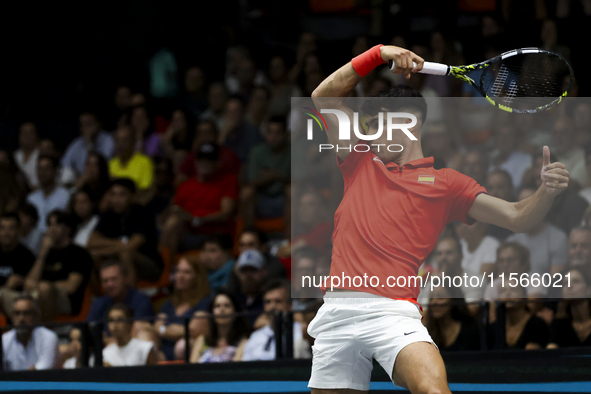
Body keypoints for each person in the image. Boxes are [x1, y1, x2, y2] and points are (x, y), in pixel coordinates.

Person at [307, 44, 570, 394]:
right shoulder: (358, 160)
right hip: (337, 311)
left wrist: (545, 193)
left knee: (433, 391)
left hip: (392, 312)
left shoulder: (447, 184)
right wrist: (379, 53)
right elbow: (323, 97)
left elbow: (516, 217)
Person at [160, 143, 238, 262]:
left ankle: (165, 269)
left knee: (174, 223)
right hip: (188, 233)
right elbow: (174, 210)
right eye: (201, 160)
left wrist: (196, 218)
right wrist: (177, 214)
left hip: (214, 233)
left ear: (217, 163)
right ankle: (166, 270)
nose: (204, 164)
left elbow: (226, 213)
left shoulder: (228, 181)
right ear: (195, 162)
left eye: (209, 161)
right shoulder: (185, 185)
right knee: (173, 221)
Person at [87, 178, 163, 283]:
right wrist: (120, 244)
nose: (116, 200)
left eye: (122, 195)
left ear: (132, 196)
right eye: (112, 195)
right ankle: (102, 294)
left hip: (148, 264)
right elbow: (91, 242)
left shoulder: (144, 214)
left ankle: (130, 297)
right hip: (117, 258)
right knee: (92, 254)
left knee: (126, 254)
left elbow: (132, 245)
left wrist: (104, 248)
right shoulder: (108, 214)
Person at [24, 211, 93, 321]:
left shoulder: (79, 253)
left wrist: (43, 287)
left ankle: (46, 332)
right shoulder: (46, 252)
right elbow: (29, 284)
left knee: (44, 288)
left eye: (57, 225)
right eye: (49, 225)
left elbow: (71, 286)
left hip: (67, 300)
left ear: (68, 229)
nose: (52, 229)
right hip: (38, 294)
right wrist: (43, 252)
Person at [154, 256, 210, 360]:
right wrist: (173, 330)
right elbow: (157, 327)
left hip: (189, 354)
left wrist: (164, 330)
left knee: (183, 345)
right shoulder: (169, 304)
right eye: (178, 271)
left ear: (197, 277)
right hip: (163, 354)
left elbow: (193, 332)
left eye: (187, 272)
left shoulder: (204, 303)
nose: (180, 276)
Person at [241, 116, 291, 227]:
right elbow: (252, 180)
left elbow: (301, 180)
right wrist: (273, 176)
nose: (273, 137)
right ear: (264, 134)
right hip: (261, 197)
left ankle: (290, 238)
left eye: (278, 133)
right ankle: (250, 232)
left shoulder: (293, 150)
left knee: (292, 191)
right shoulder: (257, 151)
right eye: (270, 132)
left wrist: (276, 175)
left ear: (286, 134)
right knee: (246, 193)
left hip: (283, 197)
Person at [507, 187, 568, 276]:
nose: (525, 207)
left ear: (541, 206)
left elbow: (556, 282)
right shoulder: (511, 242)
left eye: (530, 202)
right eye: (521, 203)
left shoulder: (558, 238)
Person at [241, 279, 302, 361]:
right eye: (268, 302)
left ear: (290, 305)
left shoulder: (301, 333)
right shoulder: (255, 337)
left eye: (278, 301)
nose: (272, 307)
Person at [189, 290, 251, 363]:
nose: (222, 310)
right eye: (217, 306)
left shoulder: (244, 341)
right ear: (212, 312)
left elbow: (236, 368)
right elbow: (193, 369)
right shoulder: (202, 341)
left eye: (227, 306)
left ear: (235, 312)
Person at [86, 260, 155, 325]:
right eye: (105, 281)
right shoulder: (99, 303)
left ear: (125, 279)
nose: (110, 284)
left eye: (114, 279)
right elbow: (88, 328)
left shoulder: (141, 301)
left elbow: (141, 332)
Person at [2, 295, 58, 370]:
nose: (21, 318)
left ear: (35, 316)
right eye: (17, 313)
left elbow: (43, 370)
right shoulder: (4, 339)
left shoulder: (48, 336)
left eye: (26, 313)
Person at [488, 285, 550, 350]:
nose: (507, 294)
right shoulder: (494, 328)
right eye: (502, 291)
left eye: (513, 289)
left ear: (524, 297)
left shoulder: (537, 324)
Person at [60, 111, 114, 183]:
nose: (86, 128)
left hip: (102, 181)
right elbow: (65, 165)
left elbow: (100, 166)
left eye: (89, 124)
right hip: (83, 182)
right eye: (83, 124)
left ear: (98, 124)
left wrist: (89, 144)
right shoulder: (77, 143)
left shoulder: (108, 140)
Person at [424, 286, 481, 352]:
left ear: (453, 300)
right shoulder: (427, 333)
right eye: (431, 299)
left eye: (440, 298)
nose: (434, 302)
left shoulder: (471, 329)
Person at [0, 213, 35, 317]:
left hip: (16, 301)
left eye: (11, 228)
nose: (6, 233)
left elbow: (17, 284)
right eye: (2, 228)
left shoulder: (26, 256)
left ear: (19, 230)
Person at [547, 266, 591, 348]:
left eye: (576, 281)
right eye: (565, 283)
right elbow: (551, 354)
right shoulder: (558, 325)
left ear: (589, 289)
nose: (569, 286)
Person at [26, 155, 70, 233]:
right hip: (33, 240)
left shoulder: (66, 196)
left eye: (46, 168)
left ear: (55, 171)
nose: (42, 172)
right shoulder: (31, 198)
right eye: (39, 168)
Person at [109, 125, 154, 195]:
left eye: (124, 140)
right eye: (117, 140)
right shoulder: (111, 163)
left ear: (133, 142)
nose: (120, 145)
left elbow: (146, 191)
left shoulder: (145, 162)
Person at [13, 122, 40, 190]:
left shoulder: (42, 155)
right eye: (24, 133)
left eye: (30, 133)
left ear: (36, 135)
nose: (27, 136)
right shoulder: (15, 156)